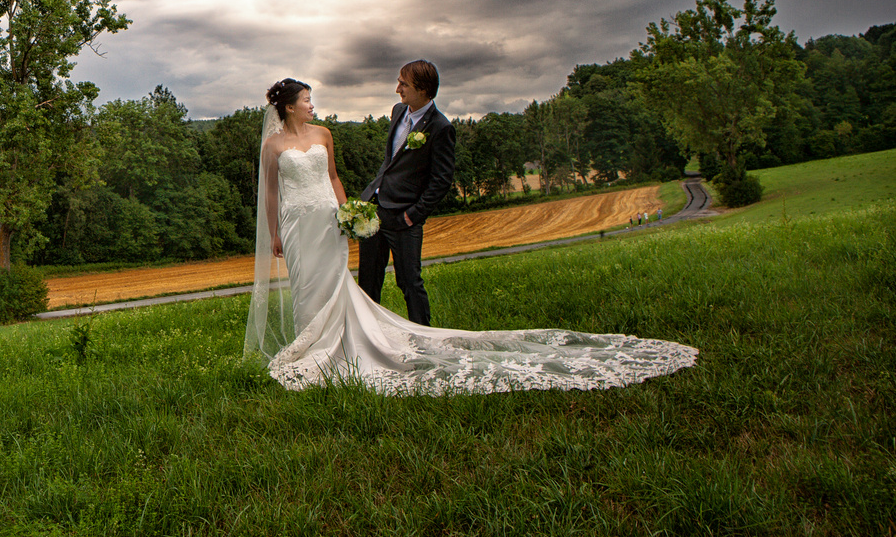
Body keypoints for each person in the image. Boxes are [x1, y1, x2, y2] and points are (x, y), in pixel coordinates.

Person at [243, 72, 699, 393]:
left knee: (348, 282)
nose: (311, 103)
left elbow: (337, 178)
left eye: (310, 98)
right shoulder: (273, 145)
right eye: (306, 98)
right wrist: (274, 233)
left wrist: (347, 213)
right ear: (287, 105)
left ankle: (347, 344)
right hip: (296, 223)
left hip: (329, 219)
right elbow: (270, 193)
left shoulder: (324, 134)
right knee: (310, 285)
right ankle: (311, 347)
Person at [358, 60, 453, 324]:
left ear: (423, 90)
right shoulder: (398, 111)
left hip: (404, 217)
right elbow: (391, 160)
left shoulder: (441, 127)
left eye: (404, 83)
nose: (397, 88)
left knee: (410, 283)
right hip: (375, 211)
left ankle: (425, 340)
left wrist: (413, 215)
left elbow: (441, 180)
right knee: (368, 282)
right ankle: (368, 338)